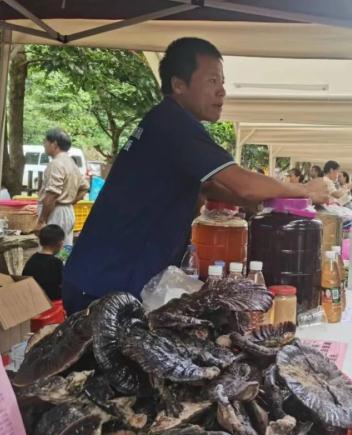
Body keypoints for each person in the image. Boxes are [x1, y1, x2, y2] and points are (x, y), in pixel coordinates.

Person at [63, 37, 328, 315]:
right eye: (212, 81)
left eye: (222, 82)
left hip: (108, 276)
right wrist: (306, 190)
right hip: (101, 282)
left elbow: (212, 187)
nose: (222, 92)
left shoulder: (166, 121)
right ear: (179, 85)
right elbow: (243, 185)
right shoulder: (174, 125)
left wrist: (262, 198)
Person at [36, 128, 89, 246]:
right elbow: (85, 187)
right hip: (67, 211)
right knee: (63, 250)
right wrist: (70, 201)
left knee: (49, 250)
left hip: (56, 212)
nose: (44, 144)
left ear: (54, 144)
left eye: (45, 141)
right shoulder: (71, 163)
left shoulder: (56, 163)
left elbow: (52, 194)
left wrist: (42, 220)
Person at [22, 224, 65, 300]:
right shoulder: (56, 263)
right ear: (60, 244)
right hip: (51, 302)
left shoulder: (32, 259)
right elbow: (62, 283)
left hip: (32, 299)